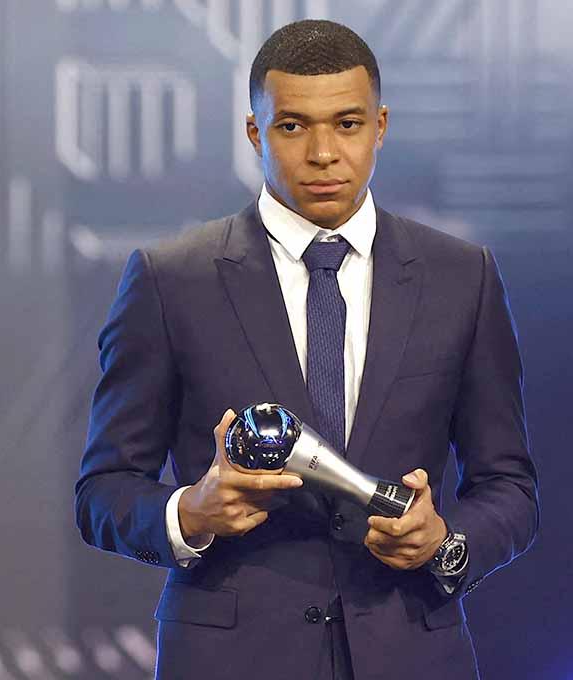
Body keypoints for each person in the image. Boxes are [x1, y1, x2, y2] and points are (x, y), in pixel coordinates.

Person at [75, 20, 538, 680]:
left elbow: (511, 487)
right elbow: (103, 492)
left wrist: (446, 541)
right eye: (293, 126)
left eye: (346, 124)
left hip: (410, 651)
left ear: (380, 126)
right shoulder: (170, 279)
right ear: (255, 133)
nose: (323, 152)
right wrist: (191, 511)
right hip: (231, 659)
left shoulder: (462, 276)